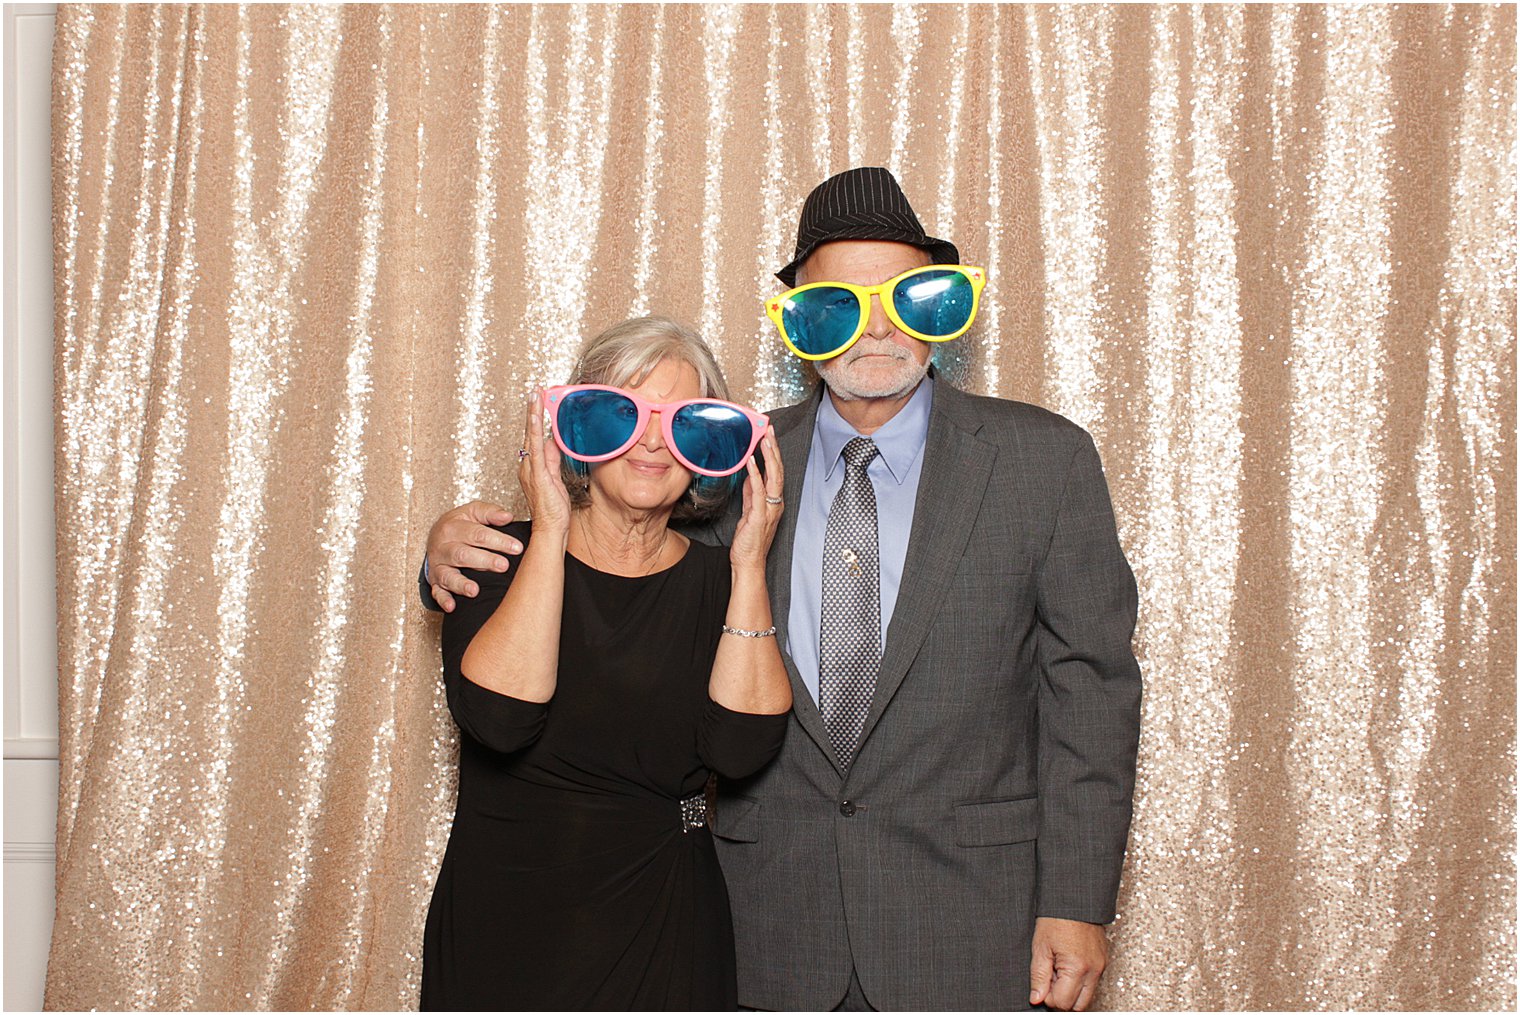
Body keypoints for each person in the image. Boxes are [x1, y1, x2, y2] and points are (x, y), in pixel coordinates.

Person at [422, 168, 1141, 1011]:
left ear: (941, 308)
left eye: (906, 298)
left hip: (972, 926)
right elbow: (614, 550)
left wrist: (1077, 901)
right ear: (797, 318)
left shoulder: (1042, 462)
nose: (874, 328)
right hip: (766, 927)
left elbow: (1091, 691)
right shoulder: (725, 460)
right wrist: (453, 548)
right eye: (839, 303)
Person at [420, 316, 792, 1010]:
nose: (652, 439)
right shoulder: (493, 554)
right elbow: (501, 719)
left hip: (667, 923)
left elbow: (741, 749)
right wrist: (551, 526)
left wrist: (748, 565)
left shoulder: (724, 581)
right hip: (506, 925)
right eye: (623, 413)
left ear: (710, 447)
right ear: (577, 427)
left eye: (683, 420)